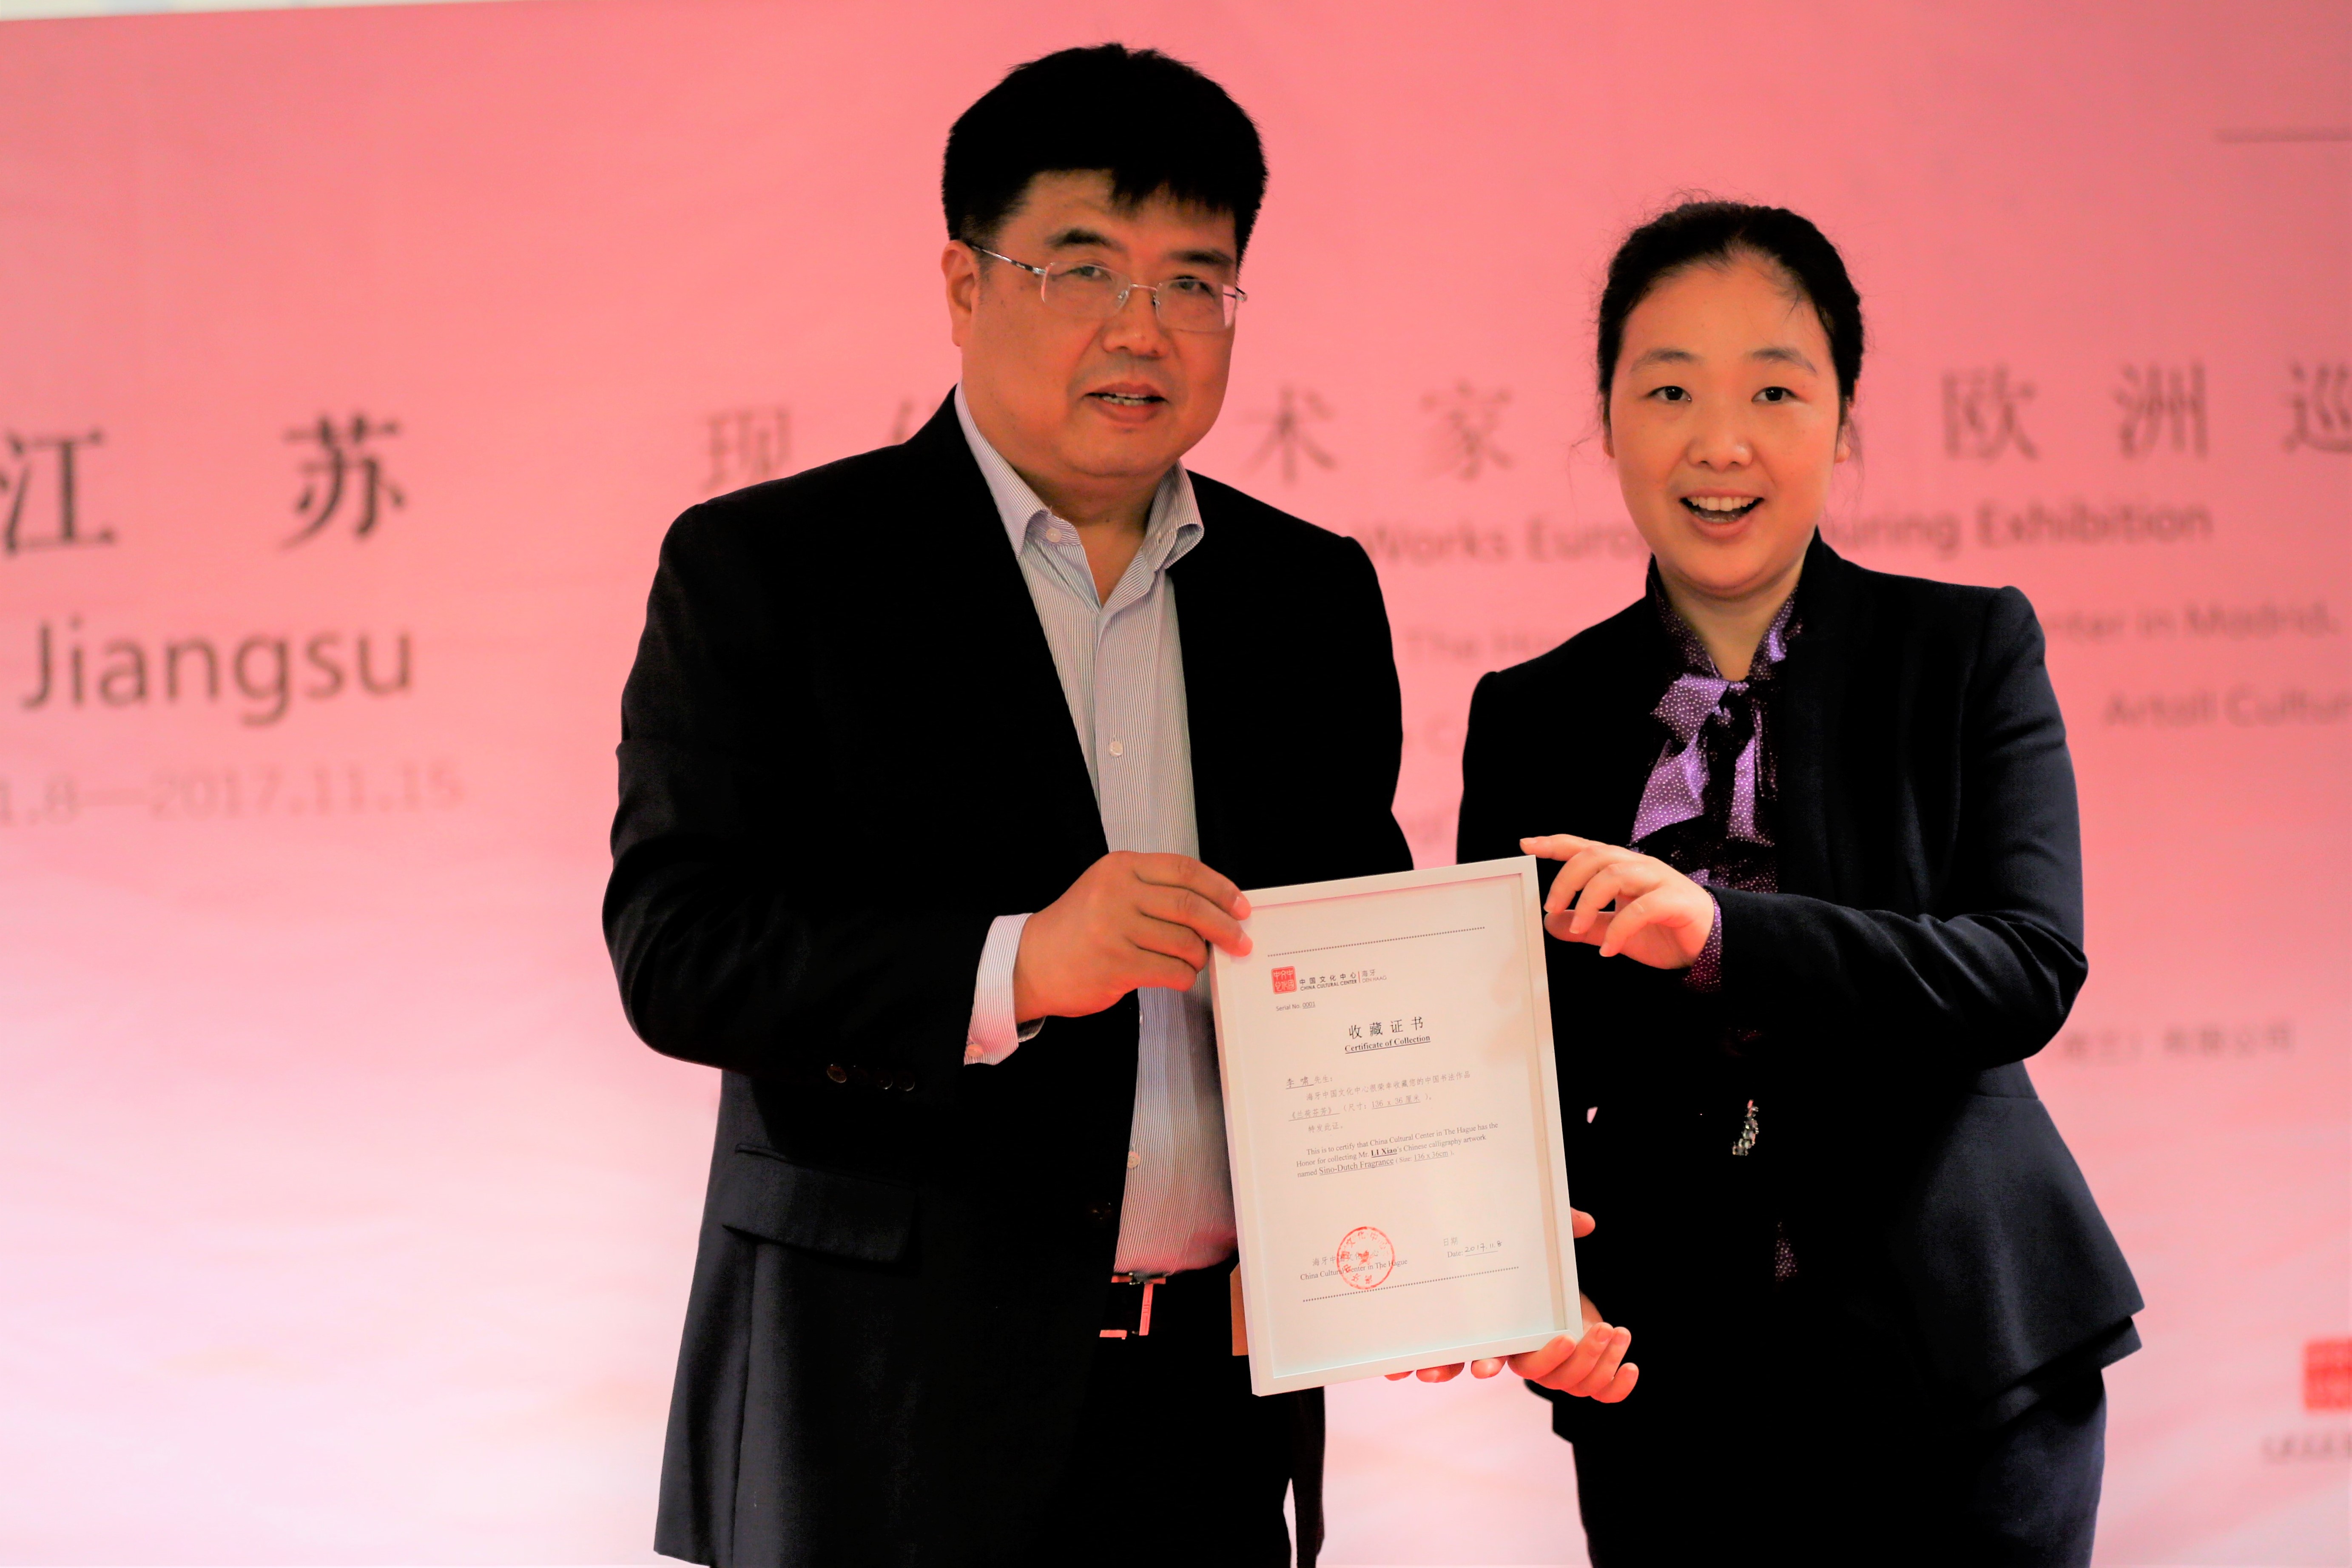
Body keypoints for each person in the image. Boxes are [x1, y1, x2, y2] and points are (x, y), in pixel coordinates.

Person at [603, 44, 1411, 1568]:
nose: (1140, 327)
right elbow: (681, 952)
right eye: (1083, 269)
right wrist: (1017, 964)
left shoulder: (1305, 595)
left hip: (1205, 1418)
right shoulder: (772, 570)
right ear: (965, 285)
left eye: (1194, 282)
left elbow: (1356, 962)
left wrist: (1455, 1229)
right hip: (880, 1409)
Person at [1427, 202, 2142, 1564]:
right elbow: (1505, 1069)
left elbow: (2024, 966)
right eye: (1669, 391)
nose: (1721, 442)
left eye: (1773, 389)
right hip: (1667, 1385)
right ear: (1605, 422)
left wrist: (1721, 934)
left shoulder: (1963, 649)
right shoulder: (1531, 714)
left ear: (1841, 419)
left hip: (1965, 1362)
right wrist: (1530, 1283)